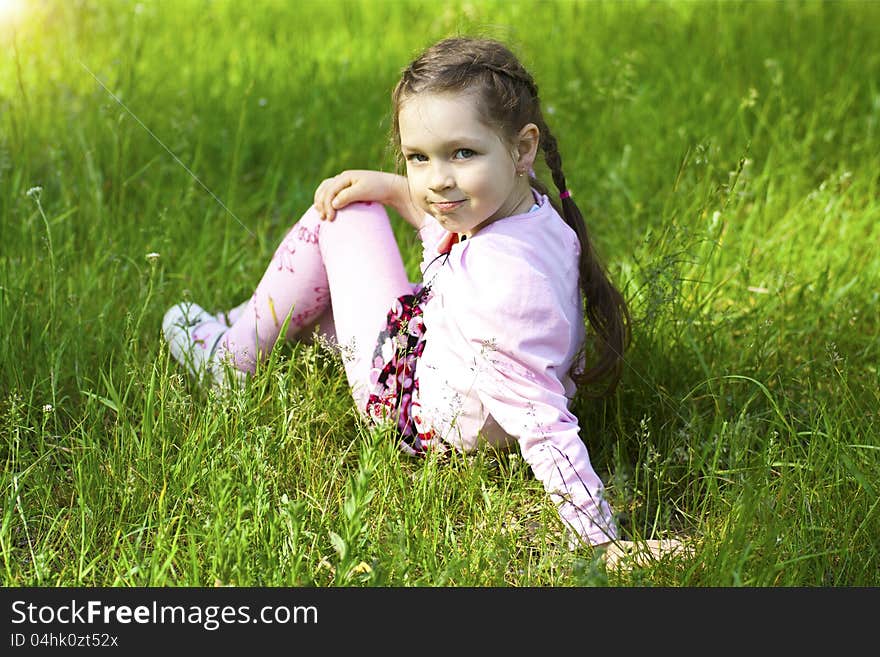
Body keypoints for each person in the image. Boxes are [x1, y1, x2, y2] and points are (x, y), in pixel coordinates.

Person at [162, 36, 684, 568]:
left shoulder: (499, 286)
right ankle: (256, 318)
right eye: (418, 157)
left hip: (404, 399)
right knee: (353, 232)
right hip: (437, 349)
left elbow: (541, 418)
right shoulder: (529, 219)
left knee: (343, 216)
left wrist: (599, 539)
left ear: (523, 149)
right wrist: (392, 187)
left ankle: (229, 360)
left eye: (463, 153)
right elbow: (446, 238)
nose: (437, 181)